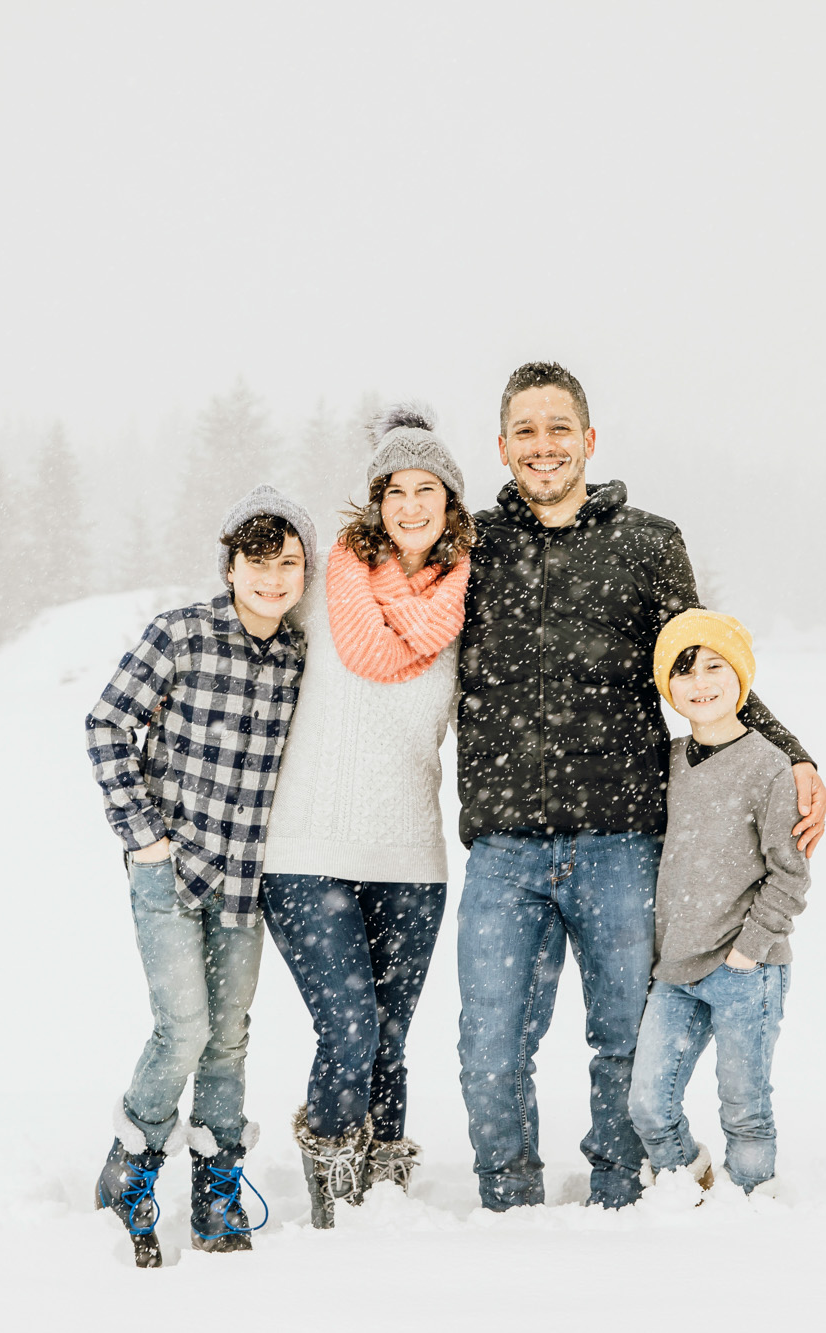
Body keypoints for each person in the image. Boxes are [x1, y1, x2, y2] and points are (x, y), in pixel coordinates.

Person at [455, 361, 826, 1211]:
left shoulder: (648, 542)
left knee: (622, 1039)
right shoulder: (472, 545)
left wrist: (792, 752)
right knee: (489, 1045)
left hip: (622, 840)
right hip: (503, 850)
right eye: (525, 430)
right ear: (502, 446)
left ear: (589, 440)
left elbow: (705, 665)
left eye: (560, 428)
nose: (543, 445)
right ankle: (505, 1202)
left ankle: (624, 1196)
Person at [84, 485, 315, 1267]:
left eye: (289, 562)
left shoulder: (297, 657)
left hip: (245, 880)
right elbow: (108, 721)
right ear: (230, 564)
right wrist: (143, 833)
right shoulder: (179, 633)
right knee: (181, 1025)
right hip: (169, 871)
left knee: (226, 1039)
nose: (273, 577)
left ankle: (218, 1187)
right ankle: (132, 1165)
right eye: (259, 559)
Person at [261, 405, 474, 1227]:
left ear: (451, 504)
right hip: (306, 850)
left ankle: (384, 1202)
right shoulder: (322, 583)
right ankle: (338, 1210)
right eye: (396, 489)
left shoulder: (464, 610)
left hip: (411, 862)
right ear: (375, 499)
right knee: (349, 1026)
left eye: (429, 489)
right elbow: (244, 624)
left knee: (387, 1038)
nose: (411, 504)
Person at [628, 610, 810, 1196]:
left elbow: (790, 873)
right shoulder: (671, 760)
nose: (701, 682)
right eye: (684, 671)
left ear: (741, 678)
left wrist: (749, 951)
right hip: (676, 967)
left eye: (715, 666)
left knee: (745, 1109)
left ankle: (753, 1208)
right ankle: (687, 1183)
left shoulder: (768, 765)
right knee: (649, 1105)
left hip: (745, 970)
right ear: (668, 687)